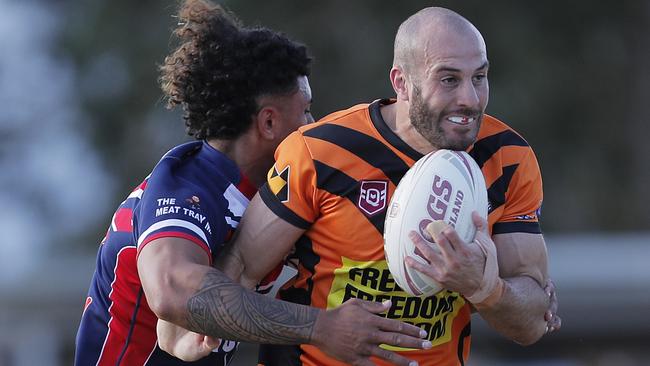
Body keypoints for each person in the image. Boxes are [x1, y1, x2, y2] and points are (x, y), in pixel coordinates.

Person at [73, 1, 429, 365]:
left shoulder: (277, 193)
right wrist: (321, 327)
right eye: (305, 109)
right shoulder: (186, 188)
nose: (313, 122)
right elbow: (171, 289)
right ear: (269, 123)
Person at [205, 6, 560, 366]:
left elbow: (531, 324)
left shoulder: (508, 159)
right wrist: (320, 327)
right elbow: (234, 276)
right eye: (449, 80)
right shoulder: (320, 152)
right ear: (401, 83)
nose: (469, 99)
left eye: (479, 77)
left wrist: (483, 287)